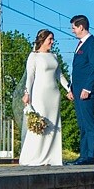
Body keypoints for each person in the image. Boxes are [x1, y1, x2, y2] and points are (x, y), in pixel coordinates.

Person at [19, 29, 69, 166]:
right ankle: (34, 156)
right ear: (43, 40)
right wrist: (27, 93)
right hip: (40, 94)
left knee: (54, 124)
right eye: (50, 39)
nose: (52, 42)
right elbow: (30, 77)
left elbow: (60, 75)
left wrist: (69, 89)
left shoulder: (54, 56)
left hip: (54, 94)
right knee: (41, 124)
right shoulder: (33, 56)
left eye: (52, 39)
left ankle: (52, 157)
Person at [67, 14, 94, 164]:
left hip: (86, 92)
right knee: (82, 124)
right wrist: (71, 88)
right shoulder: (81, 44)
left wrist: (87, 88)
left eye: (73, 28)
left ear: (81, 27)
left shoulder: (92, 44)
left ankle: (90, 156)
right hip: (78, 90)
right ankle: (83, 155)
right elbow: (78, 69)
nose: (72, 31)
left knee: (89, 123)